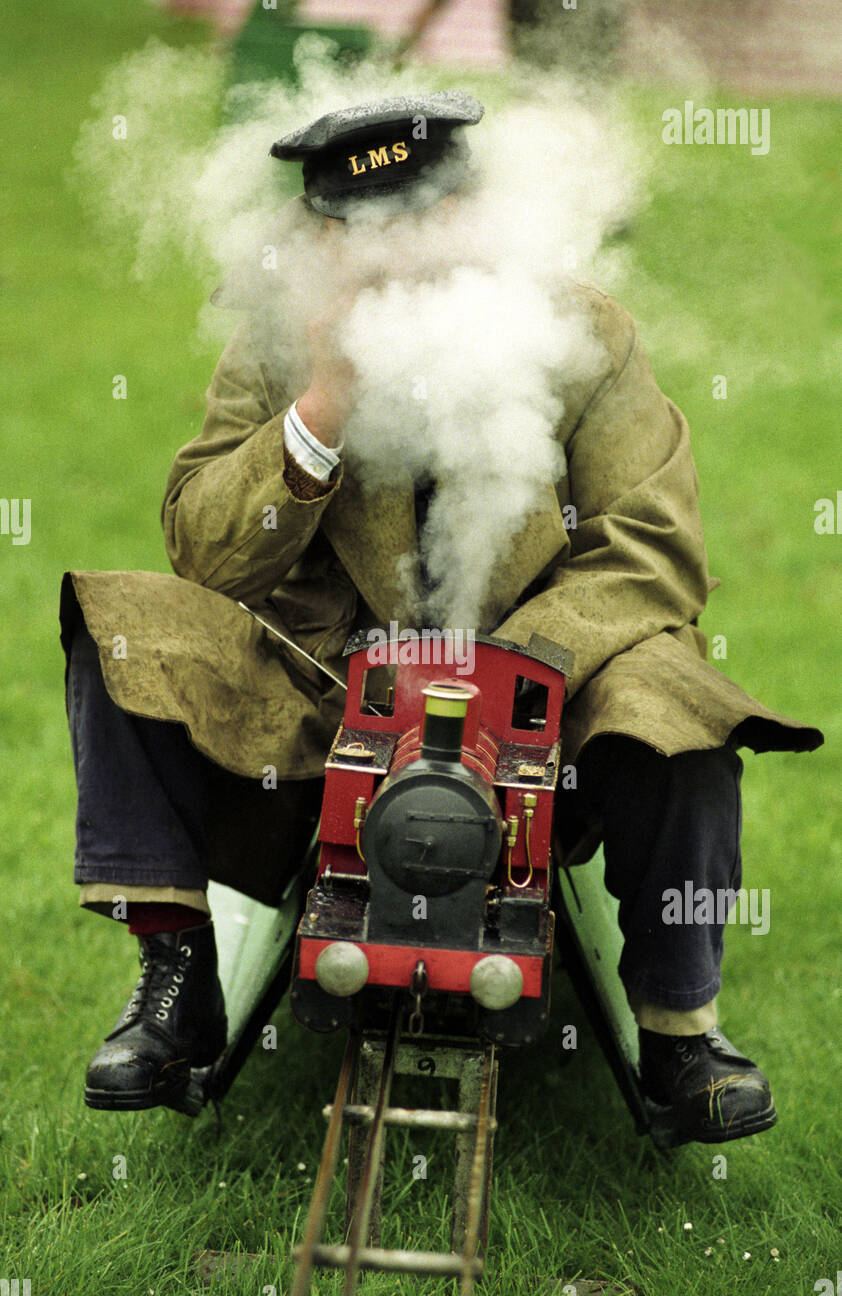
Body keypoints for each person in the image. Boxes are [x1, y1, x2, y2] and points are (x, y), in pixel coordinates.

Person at [61, 90, 822, 1143]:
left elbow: (650, 549)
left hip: (549, 700)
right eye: (362, 233)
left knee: (676, 702)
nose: (399, 258)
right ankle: (175, 983)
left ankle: (679, 1030)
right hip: (325, 707)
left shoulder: (584, 335)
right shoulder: (278, 350)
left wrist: (518, 670)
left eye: (424, 219)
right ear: (320, 238)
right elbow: (202, 549)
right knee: (126, 626)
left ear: (472, 212)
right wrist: (320, 408)